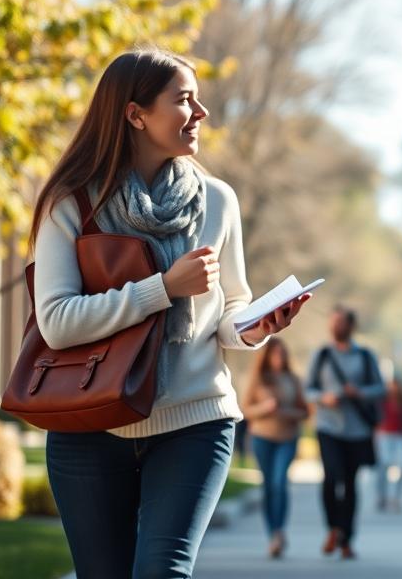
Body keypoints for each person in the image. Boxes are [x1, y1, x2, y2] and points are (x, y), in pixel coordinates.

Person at [31, 49, 309, 578]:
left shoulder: (219, 201)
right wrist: (162, 288)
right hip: (89, 423)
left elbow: (229, 309)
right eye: (184, 100)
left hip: (196, 421)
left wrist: (255, 327)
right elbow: (58, 322)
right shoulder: (70, 203)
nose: (201, 111)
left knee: (163, 572)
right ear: (135, 114)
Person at [305, 306, 385, 559]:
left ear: (351, 326)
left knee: (350, 484)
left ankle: (347, 539)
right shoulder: (322, 355)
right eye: (333, 322)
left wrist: (359, 393)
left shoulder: (365, 356)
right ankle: (333, 529)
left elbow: (381, 388)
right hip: (328, 427)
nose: (335, 326)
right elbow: (308, 390)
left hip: (357, 430)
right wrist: (323, 398)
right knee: (331, 478)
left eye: (340, 322)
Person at [242, 338, 310, 558]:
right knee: (269, 487)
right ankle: (272, 534)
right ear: (267, 356)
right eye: (275, 354)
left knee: (280, 483)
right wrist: (265, 408)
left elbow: (305, 413)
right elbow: (245, 410)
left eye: (282, 354)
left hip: (287, 438)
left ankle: (280, 531)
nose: (279, 358)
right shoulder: (258, 379)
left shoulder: (293, 379)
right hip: (262, 438)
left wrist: (284, 412)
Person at [373, 370, 402, 512]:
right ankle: (382, 496)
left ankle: (396, 497)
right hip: (384, 435)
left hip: (400, 436)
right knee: (382, 467)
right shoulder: (381, 401)